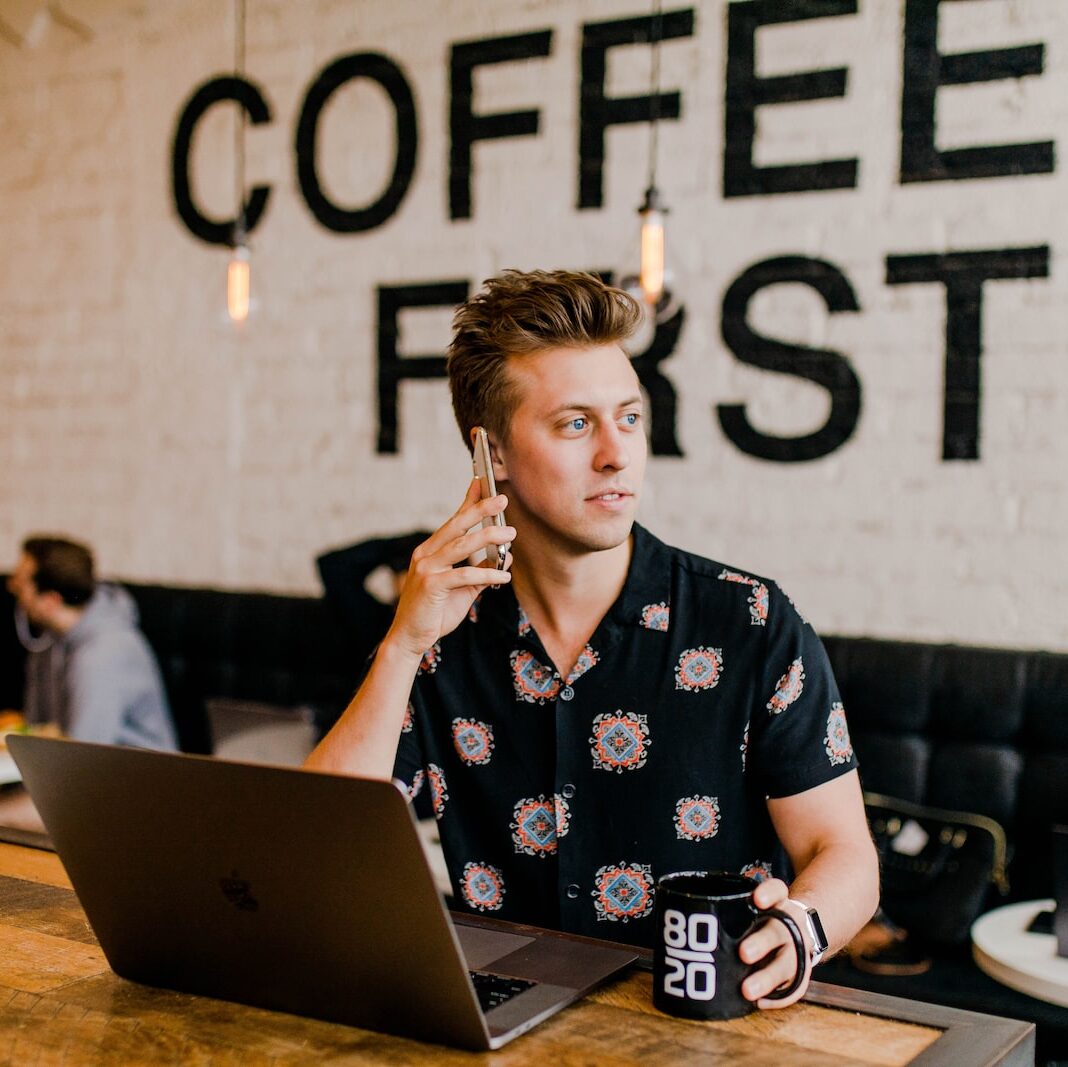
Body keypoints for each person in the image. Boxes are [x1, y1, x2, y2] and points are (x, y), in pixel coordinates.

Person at [306, 269, 878, 1010]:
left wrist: (802, 926)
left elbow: (845, 853)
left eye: (630, 417)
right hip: (500, 1034)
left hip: (699, 1034)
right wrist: (400, 648)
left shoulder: (751, 623)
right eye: (576, 423)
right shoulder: (444, 635)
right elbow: (317, 855)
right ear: (493, 456)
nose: (617, 454)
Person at [5, 536, 176, 750]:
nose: (11, 587)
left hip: (141, 777)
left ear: (50, 601)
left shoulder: (104, 652)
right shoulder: (48, 641)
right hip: (89, 770)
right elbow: (35, 726)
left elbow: (84, 752)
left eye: (21, 587)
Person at [316, 530, 430, 670]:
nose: (415, 584)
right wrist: (398, 546)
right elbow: (334, 566)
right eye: (410, 572)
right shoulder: (373, 622)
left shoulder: (455, 632)